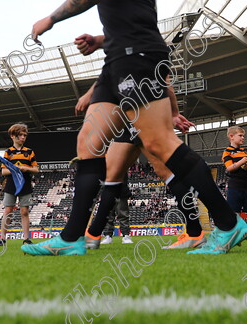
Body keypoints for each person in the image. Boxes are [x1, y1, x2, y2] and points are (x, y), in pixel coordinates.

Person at [26, 0, 247, 255]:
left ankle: (226, 223)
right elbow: (132, 3)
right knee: (88, 143)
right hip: (118, 57)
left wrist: (51, 18)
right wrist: (103, 40)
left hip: (136, 56)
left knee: (160, 143)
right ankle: (72, 238)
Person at [78, 79, 206, 251]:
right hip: (127, 119)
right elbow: (108, 72)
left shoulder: (139, 57)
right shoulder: (120, 59)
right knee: (111, 176)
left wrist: (173, 112)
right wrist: (90, 94)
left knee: (166, 173)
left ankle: (195, 232)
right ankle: (93, 235)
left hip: (145, 115)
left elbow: (165, 80)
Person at [0, 123, 38, 246]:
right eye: (20, 135)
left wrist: (26, 168)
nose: (23, 137)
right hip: (11, 184)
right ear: (12, 136)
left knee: (24, 211)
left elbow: (36, 169)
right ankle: (2, 238)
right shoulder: (8, 153)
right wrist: (14, 169)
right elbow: (3, 171)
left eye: (24, 135)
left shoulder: (30, 152)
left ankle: (26, 239)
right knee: (8, 211)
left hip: (25, 184)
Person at [100, 175, 132, 245]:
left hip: (120, 191)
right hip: (107, 191)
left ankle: (126, 235)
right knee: (108, 215)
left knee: (123, 214)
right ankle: (108, 235)